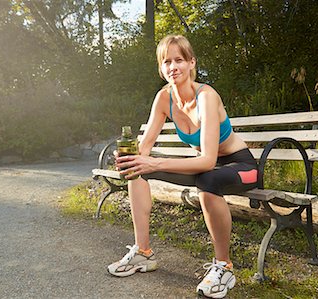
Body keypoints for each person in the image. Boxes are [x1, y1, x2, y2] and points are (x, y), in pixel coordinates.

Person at [107, 34, 258, 299]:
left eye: (179, 60)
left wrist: (153, 160)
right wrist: (131, 159)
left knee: (208, 181)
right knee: (136, 172)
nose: (173, 66)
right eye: (167, 61)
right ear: (161, 68)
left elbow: (209, 161)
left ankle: (224, 266)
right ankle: (143, 253)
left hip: (240, 165)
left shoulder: (207, 96)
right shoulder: (163, 98)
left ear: (191, 63)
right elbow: (144, 147)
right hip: (204, 168)